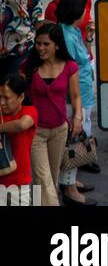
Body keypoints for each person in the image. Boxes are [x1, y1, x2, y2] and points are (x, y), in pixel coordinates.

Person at [24, 24, 82, 207]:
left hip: (59, 130)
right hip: (35, 132)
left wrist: (77, 117)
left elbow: (75, 96)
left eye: (46, 44)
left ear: (57, 45)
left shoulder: (70, 66)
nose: (40, 48)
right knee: (43, 178)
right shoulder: (29, 68)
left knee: (52, 178)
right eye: (38, 43)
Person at [54, 0, 96, 205]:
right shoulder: (66, 35)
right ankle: (69, 187)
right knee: (76, 140)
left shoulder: (70, 31)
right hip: (76, 96)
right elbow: (72, 68)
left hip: (83, 94)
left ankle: (71, 180)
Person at [0, 74, 37, 201]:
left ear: (21, 97)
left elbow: (21, 125)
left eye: (6, 98)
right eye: (0, 97)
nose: (2, 102)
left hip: (19, 184)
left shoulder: (29, 111)